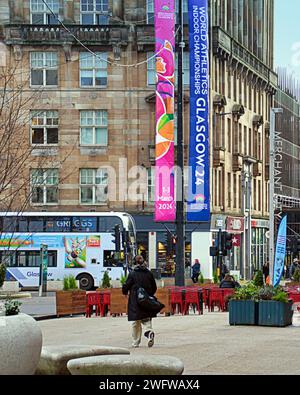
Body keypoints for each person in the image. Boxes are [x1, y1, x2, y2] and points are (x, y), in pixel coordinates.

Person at [122, 255, 157, 348]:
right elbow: (154, 287)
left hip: (135, 300)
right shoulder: (149, 273)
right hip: (147, 299)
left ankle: (135, 342)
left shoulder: (133, 273)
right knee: (146, 318)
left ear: (135, 263)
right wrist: (149, 295)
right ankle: (149, 332)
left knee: (136, 321)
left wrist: (125, 292)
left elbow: (126, 285)